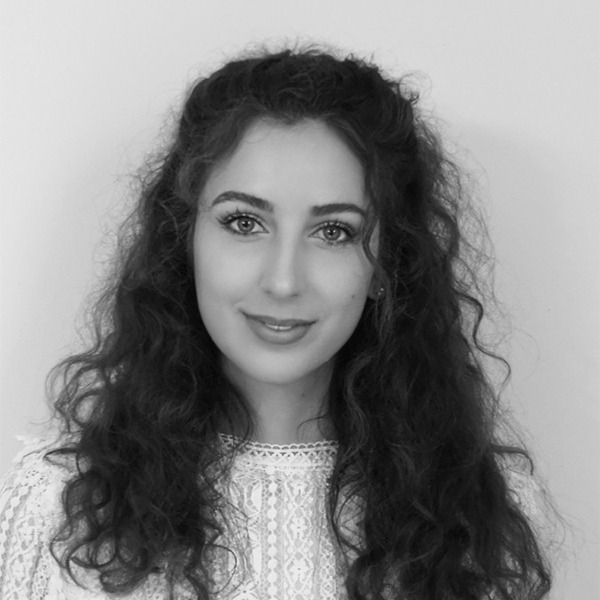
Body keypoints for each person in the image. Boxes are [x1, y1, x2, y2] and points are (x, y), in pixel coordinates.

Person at [0, 47, 553, 599]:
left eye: (334, 231)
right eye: (244, 222)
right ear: (184, 240)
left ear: (387, 264)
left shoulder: (482, 521)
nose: (284, 281)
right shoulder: (63, 505)